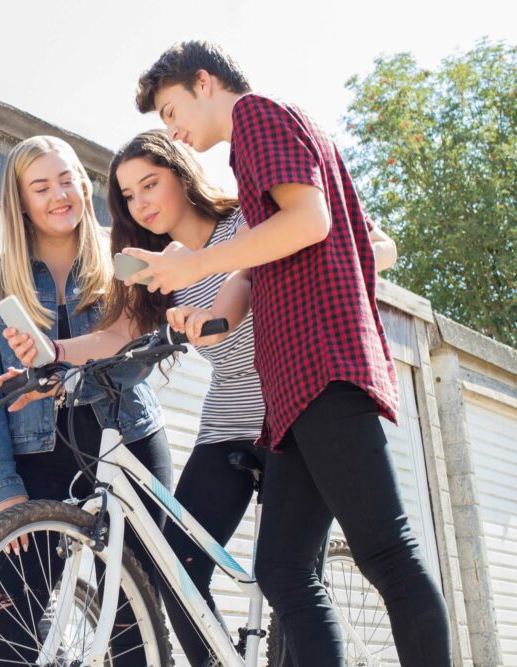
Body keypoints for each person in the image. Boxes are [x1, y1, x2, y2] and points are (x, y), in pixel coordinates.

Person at [127, 40, 450, 666]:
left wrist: (197, 262)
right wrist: (207, 295)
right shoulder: (267, 142)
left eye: (170, 111)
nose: (174, 131)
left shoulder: (257, 115)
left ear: (203, 82)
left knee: (387, 553)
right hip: (294, 392)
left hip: (323, 366)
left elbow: (310, 222)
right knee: (282, 569)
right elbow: (276, 253)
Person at [0, 135, 173, 665]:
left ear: (83, 182)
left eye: (66, 179)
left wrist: (62, 357)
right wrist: (4, 492)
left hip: (126, 442)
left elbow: (141, 348)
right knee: (7, 619)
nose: (58, 195)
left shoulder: (121, 260)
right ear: (21, 199)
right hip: (36, 463)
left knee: (130, 618)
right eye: (41, 186)